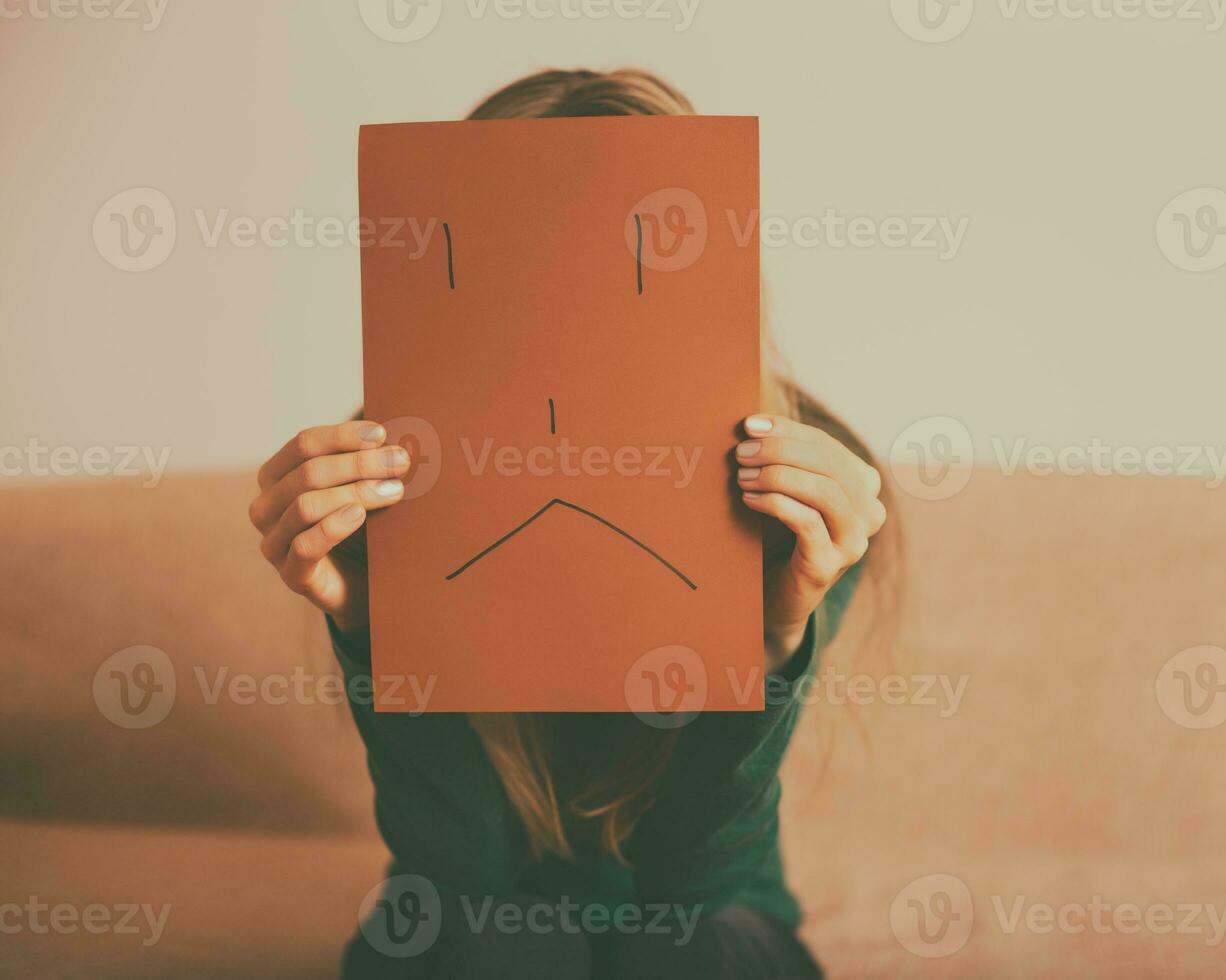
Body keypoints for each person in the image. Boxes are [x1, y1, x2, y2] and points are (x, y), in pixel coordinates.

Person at [247, 68, 896, 979]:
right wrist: (370, 622)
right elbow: (457, 876)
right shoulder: (392, 474)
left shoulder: (805, 481)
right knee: (481, 942)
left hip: (712, 919)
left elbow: (694, 884)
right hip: (475, 926)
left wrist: (775, 633)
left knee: (697, 950)